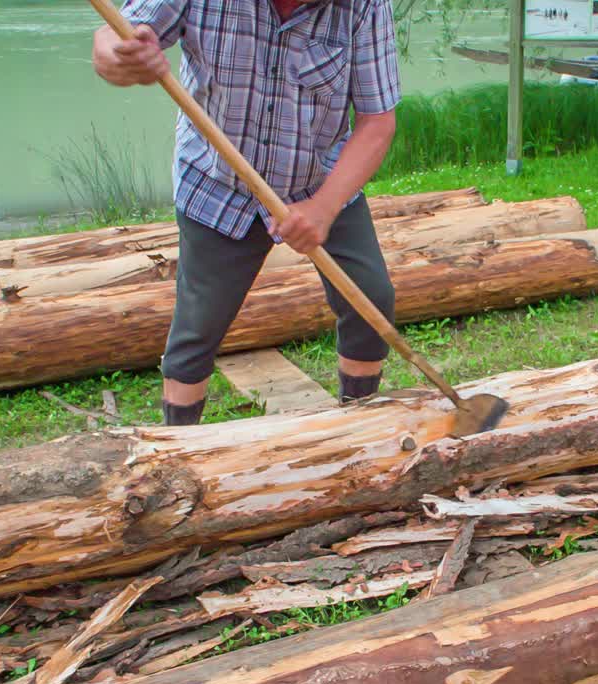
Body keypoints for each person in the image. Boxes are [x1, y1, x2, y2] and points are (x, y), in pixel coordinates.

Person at [92, 0, 401, 425]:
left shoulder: (362, 6)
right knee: (198, 327)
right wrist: (122, 57)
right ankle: (179, 450)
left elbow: (377, 121)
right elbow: (111, 39)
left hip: (321, 181)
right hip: (218, 184)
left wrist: (324, 208)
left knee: (370, 298)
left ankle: (359, 425)